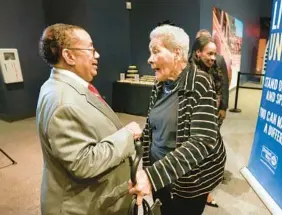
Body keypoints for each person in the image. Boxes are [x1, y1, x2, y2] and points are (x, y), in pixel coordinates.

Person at [36, 23, 142, 215]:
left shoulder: (63, 87)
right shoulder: (64, 102)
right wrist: (127, 135)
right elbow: (83, 163)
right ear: (68, 56)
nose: (97, 56)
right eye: (91, 49)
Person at [129, 25, 226, 215]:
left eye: (156, 51)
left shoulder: (200, 82)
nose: (149, 59)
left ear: (177, 53)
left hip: (186, 182)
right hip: (159, 173)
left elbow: (202, 141)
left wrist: (151, 176)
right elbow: (152, 123)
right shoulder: (160, 84)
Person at [194, 30, 230, 207]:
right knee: (200, 156)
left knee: (210, 154)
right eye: (209, 53)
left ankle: (205, 188)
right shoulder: (189, 70)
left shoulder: (218, 64)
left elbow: (224, 85)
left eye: (214, 54)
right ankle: (203, 192)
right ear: (198, 52)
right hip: (196, 122)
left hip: (213, 118)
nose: (213, 58)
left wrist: (223, 106)